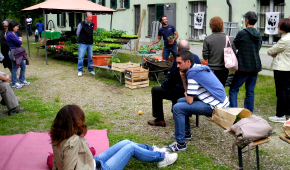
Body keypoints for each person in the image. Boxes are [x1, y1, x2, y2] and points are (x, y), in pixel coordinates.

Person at [50, 105, 178, 170]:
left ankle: (154, 150)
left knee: (126, 142)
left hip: (92, 163)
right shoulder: (73, 142)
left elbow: (58, 162)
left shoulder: (58, 137)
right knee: (131, 148)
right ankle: (162, 158)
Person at [165, 51, 229, 152]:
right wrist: (182, 77)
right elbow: (188, 95)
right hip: (217, 99)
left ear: (188, 62)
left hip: (216, 106)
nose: (177, 66)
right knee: (179, 100)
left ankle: (180, 144)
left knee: (178, 108)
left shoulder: (192, 73)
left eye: (179, 63)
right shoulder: (198, 67)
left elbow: (189, 99)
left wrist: (184, 80)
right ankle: (186, 133)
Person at [147, 40, 201, 127]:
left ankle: (159, 119)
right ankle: (182, 112)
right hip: (194, 92)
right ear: (189, 48)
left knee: (156, 90)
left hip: (181, 92)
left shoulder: (179, 60)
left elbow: (172, 79)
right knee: (176, 88)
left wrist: (163, 85)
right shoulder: (197, 58)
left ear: (178, 50)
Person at [229, 11, 262, 113]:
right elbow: (259, 47)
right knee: (250, 91)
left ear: (247, 20)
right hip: (255, 65)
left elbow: (234, 45)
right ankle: (248, 113)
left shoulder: (242, 33)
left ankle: (234, 112)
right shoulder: (259, 34)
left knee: (233, 89)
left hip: (243, 65)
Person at [267, 18, 290, 123]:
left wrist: (272, 52)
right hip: (288, 66)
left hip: (281, 68)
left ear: (283, 28)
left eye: (279, 25)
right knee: (286, 90)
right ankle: (288, 111)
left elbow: (271, 50)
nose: (277, 27)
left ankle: (280, 115)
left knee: (280, 92)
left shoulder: (284, 40)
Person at [202, 16, 236, 87]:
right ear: (221, 25)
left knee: (212, 88)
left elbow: (205, 56)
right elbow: (234, 53)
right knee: (221, 88)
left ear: (211, 26)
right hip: (224, 68)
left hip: (212, 68)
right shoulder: (229, 39)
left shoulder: (207, 39)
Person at [6, 20, 30, 89]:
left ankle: (22, 80)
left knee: (23, 66)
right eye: (17, 26)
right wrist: (19, 40)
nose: (18, 28)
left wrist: (19, 40)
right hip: (14, 53)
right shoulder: (10, 34)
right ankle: (14, 83)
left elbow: (19, 42)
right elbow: (19, 42)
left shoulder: (15, 33)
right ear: (13, 27)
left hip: (18, 52)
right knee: (15, 68)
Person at [77, 12, 95, 77]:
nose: (91, 18)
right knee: (81, 57)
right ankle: (80, 70)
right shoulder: (81, 24)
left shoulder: (92, 24)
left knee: (90, 57)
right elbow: (78, 33)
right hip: (83, 44)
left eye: (91, 17)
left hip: (90, 43)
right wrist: (82, 39)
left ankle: (90, 70)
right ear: (86, 17)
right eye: (89, 17)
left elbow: (92, 33)